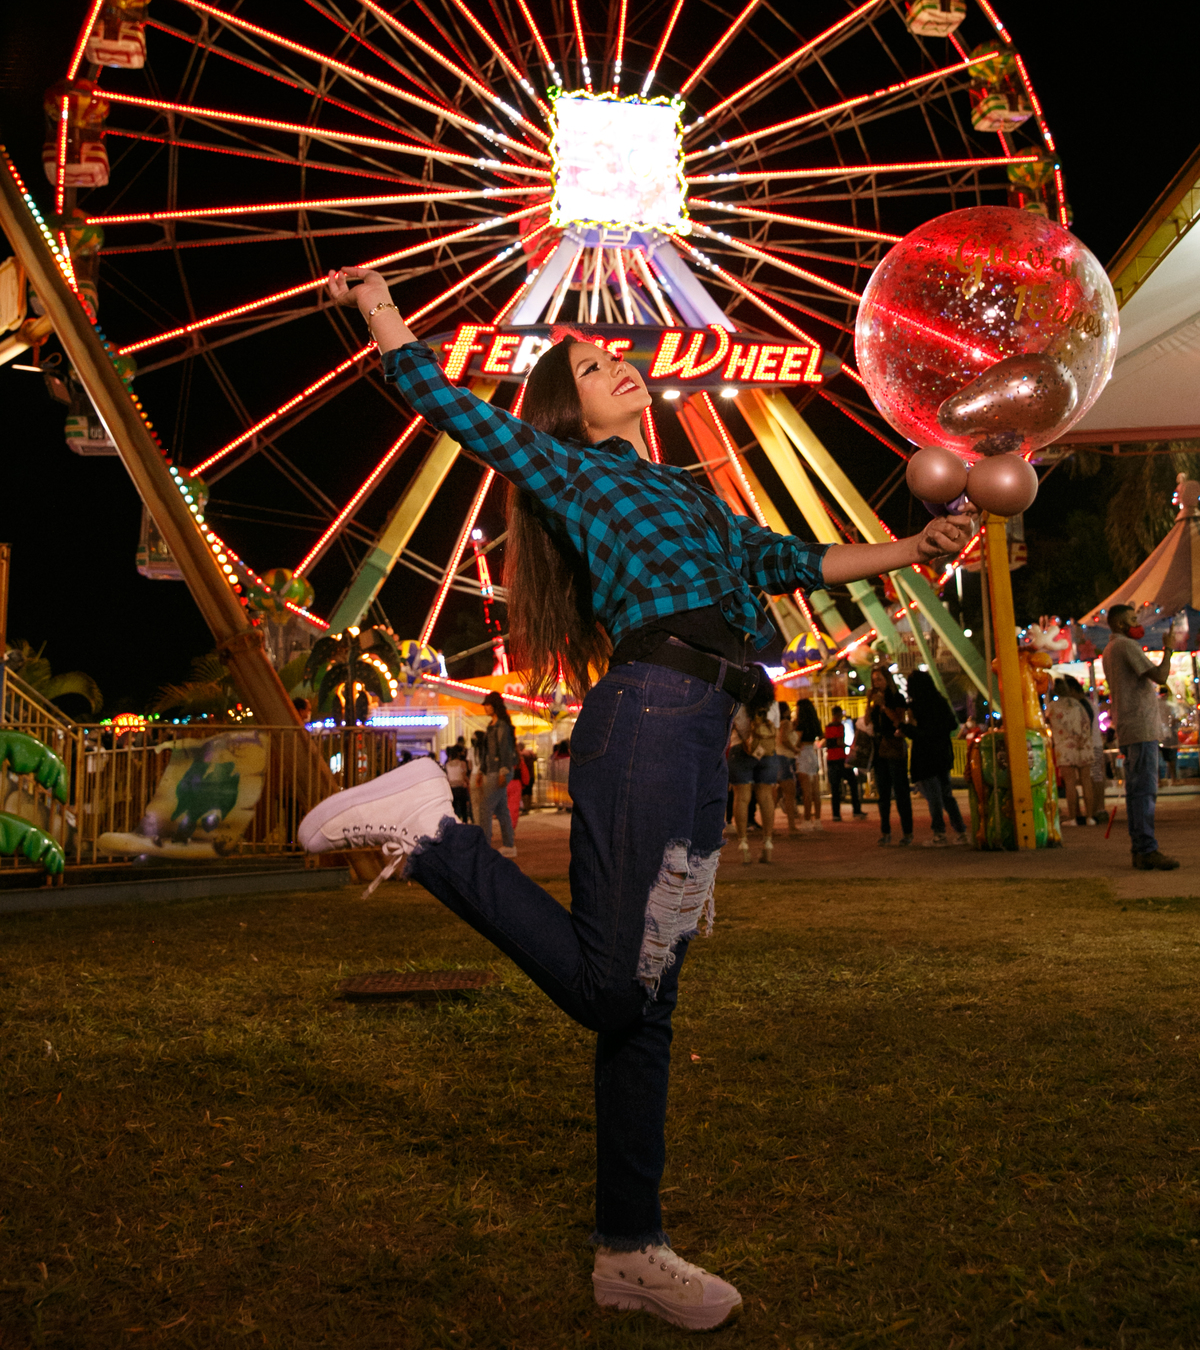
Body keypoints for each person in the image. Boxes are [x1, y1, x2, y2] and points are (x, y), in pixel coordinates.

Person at [299, 267, 976, 1328]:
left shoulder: (694, 492)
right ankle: (432, 831)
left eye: (614, 353)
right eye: (588, 364)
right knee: (618, 990)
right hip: (651, 712)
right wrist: (382, 311)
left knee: (646, 1002)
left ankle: (630, 1249)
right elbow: (450, 404)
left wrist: (917, 550)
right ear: (568, 407)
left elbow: (799, 558)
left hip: (704, 728)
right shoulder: (570, 473)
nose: (619, 357)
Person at [1101, 605, 1180, 871]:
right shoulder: (1125, 647)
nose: (1138, 623)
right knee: (1145, 791)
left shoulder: (1110, 649)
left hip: (1129, 727)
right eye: (1133, 619)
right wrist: (1167, 648)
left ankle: (1141, 849)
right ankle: (1147, 849)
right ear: (1122, 624)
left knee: (1137, 792)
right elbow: (1160, 676)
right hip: (1140, 727)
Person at [903, 669, 967, 846]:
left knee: (934, 797)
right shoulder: (940, 702)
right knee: (946, 794)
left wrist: (907, 727)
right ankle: (961, 830)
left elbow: (918, 733)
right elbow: (952, 724)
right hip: (942, 754)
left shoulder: (916, 707)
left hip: (925, 756)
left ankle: (939, 833)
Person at [731, 685, 786, 863]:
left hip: (741, 749)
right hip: (767, 752)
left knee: (741, 797)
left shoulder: (739, 702)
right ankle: (767, 845)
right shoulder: (772, 705)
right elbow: (775, 729)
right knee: (766, 797)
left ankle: (744, 846)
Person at [862, 667, 913, 846]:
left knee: (900, 791)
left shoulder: (896, 698)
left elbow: (898, 720)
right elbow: (867, 721)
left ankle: (907, 832)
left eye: (879, 679)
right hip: (878, 749)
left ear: (887, 680)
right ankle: (885, 831)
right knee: (882, 793)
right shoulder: (874, 701)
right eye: (874, 680)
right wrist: (869, 703)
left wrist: (884, 706)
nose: (876, 683)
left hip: (893, 745)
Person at [1046, 677, 1099, 825]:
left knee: (1070, 783)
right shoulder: (1078, 704)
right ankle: (1090, 817)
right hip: (1084, 745)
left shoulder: (1052, 707)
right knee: (1086, 781)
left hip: (1064, 747)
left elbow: (1047, 723)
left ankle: (1073, 817)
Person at [476, 691, 518, 857]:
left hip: (499, 771)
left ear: (494, 705)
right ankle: (509, 845)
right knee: (501, 811)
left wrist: (503, 771)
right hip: (492, 770)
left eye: (488, 704)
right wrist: (481, 770)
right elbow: (487, 752)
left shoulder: (501, 726)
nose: (485, 707)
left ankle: (484, 846)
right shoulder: (492, 726)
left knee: (485, 809)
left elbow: (505, 751)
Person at [1063, 674, 1108, 824]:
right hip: (1093, 745)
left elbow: (1085, 728)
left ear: (1073, 689)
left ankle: (1097, 810)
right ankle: (1096, 810)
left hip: (1091, 746)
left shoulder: (1082, 705)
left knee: (1095, 779)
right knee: (1095, 779)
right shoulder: (1087, 704)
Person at [824, 704, 863, 820]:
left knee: (835, 788)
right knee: (853, 783)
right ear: (838, 714)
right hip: (840, 758)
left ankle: (836, 814)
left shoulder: (827, 727)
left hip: (830, 759)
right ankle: (856, 810)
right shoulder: (839, 726)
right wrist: (850, 747)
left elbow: (827, 742)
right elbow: (839, 741)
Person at [792, 696, 824, 824]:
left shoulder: (801, 724)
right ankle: (817, 819)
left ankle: (806, 819)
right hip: (812, 752)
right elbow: (822, 736)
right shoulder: (815, 722)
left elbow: (797, 742)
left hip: (803, 754)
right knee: (815, 790)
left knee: (806, 791)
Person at [774, 700, 799, 834]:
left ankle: (769, 827)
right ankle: (791, 826)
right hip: (785, 759)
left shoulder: (777, 724)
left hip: (778, 758)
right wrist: (795, 749)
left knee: (777, 794)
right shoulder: (786, 723)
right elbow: (784, 740)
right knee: (789, 793)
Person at [445, 738, 471, 823]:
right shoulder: (462, 763)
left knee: (454, 808)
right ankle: (465, 823)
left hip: (452, 789)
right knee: (463, 808)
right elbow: (464, 776)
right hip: (461, 788)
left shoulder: (447, 764)